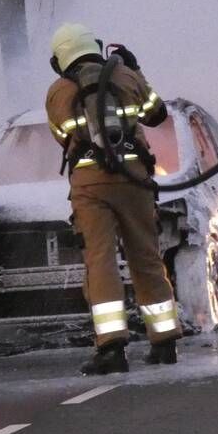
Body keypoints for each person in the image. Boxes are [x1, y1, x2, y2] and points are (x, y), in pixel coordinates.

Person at [45, 22, 182, 375]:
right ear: (96, 46)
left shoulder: (59, 91)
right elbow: (157, 115)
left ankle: (112, 349)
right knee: (147, 257)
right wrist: (134, 69)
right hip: (135, 178)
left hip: (91, 184)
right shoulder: (126, 78)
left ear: (60, 60)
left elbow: (62, 137)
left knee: (101, 261)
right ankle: (165, 343)